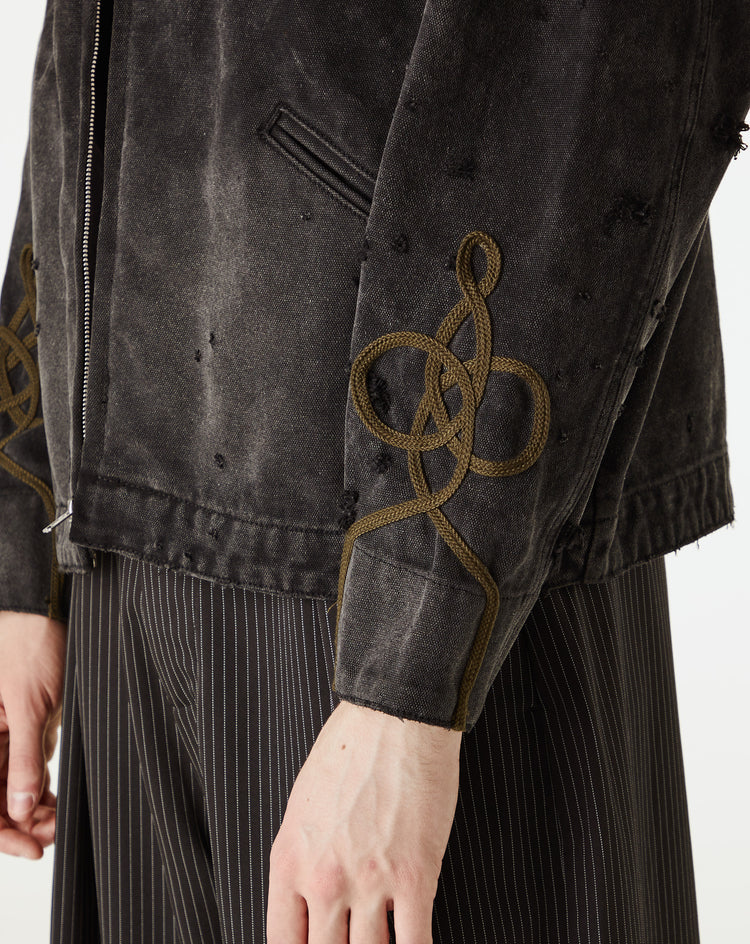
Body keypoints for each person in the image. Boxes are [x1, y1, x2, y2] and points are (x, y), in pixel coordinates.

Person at [1, 1, 748, 942]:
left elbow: (583, 52)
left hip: (417, 538)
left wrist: (415, 670)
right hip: (122, 544)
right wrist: (25, 523)